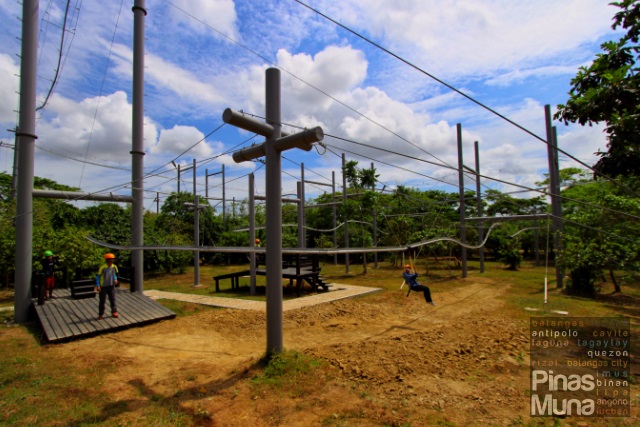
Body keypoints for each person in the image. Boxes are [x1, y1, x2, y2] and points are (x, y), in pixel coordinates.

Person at [96, 253, 119, 319]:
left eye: (113, 259)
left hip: (111, 285)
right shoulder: (102, 267)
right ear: (107, 260)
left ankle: (114, 312)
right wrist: (98, 285)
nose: (112, 260)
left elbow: (114, 274)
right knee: (102, 300)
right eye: (111, 259)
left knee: (113, 299)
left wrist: (115, 279)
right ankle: (101, 314)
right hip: (103, 286)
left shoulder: (114, 267)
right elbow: (98, 277)